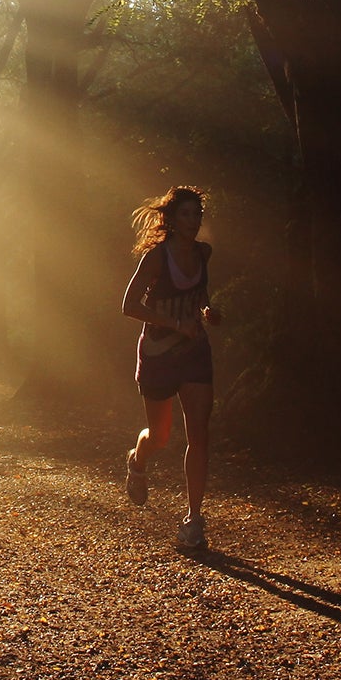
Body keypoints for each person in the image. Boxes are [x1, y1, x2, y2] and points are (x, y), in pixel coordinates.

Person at [120, 185, 219, 551]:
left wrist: (208, 311)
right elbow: (128, 305)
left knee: (200, 434)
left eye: (198, 215)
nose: (194, 222)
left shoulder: (204, 254)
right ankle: (138, 458)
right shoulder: (157, 259)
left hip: (194, 353)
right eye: (187, 215)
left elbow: (201, 294)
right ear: (172, 220)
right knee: (160, 437)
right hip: (159, 354)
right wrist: (176, 324)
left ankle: (193, 520)